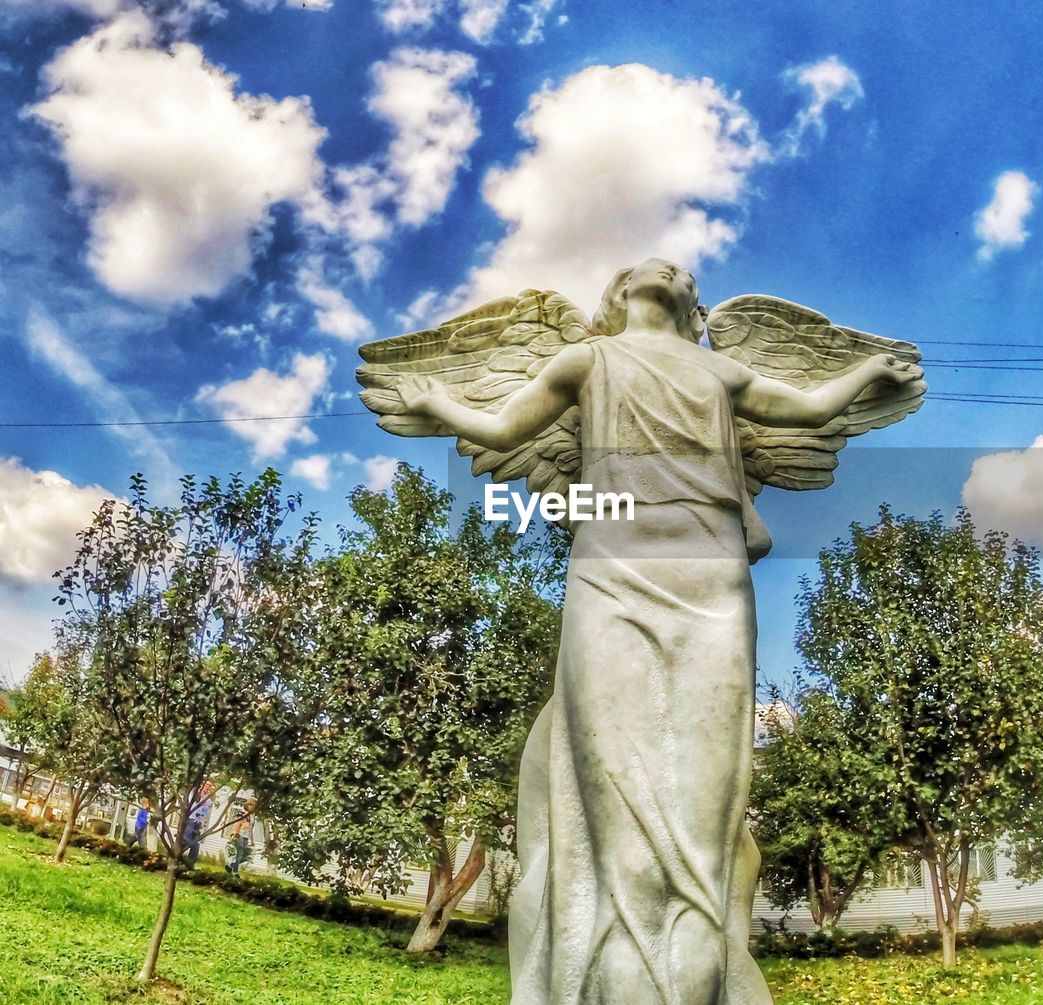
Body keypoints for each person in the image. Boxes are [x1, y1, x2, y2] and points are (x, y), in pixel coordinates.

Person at [389, 259, 922, 1004]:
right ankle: (602, 964)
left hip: (711, 581)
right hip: (611, 571)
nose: (666, 267)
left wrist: (866, 370)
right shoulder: (588, 358)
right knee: (613, 779)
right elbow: (507, 425)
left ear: (692, 303)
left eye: (680, 270)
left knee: (706, 802)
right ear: (617, 294)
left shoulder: (720, 371)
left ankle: (699, 962)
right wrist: (441, 401)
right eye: (649, 265)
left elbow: (803, 408)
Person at [182, 781, 214, 867]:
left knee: (196, 845)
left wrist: (203, 825)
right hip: (190, 820)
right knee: (185, 841)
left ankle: (190, 865)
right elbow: (195, 799)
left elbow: (206, 811)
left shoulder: (209, 799)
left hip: (198, 823)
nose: (207, 787)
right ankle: (177, 858)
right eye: (206, 785)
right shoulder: (194, 793)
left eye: (210, 785)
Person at [225, 799, 256, 876]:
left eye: (252, 806)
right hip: (240, 835)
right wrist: (236, 834)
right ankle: (235, 872)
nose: (251, 807)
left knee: (244, 855)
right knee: (240, 853)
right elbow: (238, 824)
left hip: (246, 837)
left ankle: (230, 865)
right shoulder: (243, 814)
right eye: (249, 805)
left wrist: (252, 840)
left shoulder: (252, 816)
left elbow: (251, 829)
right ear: (247, 806)